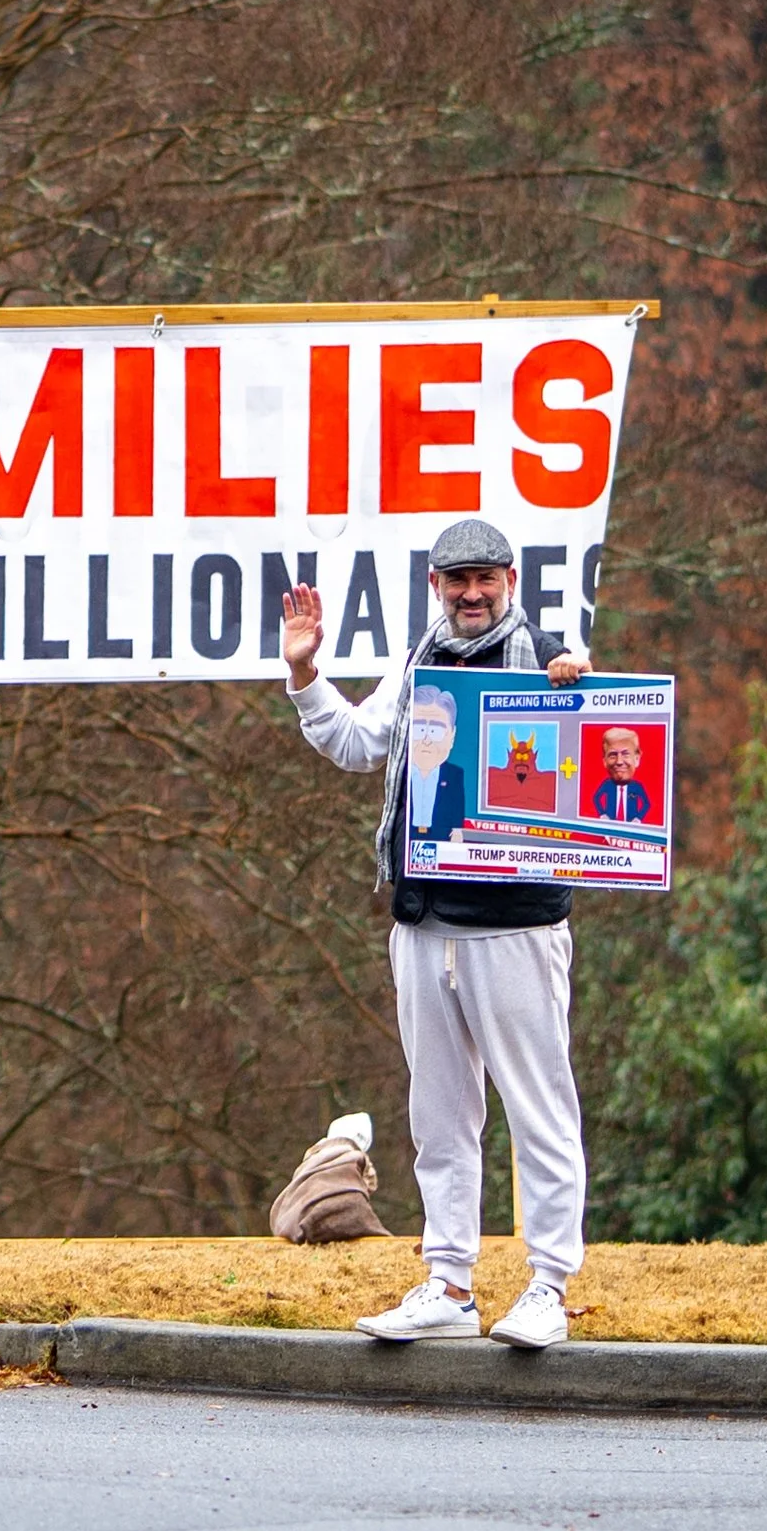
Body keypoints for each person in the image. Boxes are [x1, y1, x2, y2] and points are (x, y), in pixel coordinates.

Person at [279, 519, 591, 1350]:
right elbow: (354, 744)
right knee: (440, 1115)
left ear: (512, 580)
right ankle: (449, 1281)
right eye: (458, 581)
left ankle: (549, 1285)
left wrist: (579, 696)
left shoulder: (554, 660)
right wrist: (307, 673)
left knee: (539, 1108)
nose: (473, 594)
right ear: (435, 586)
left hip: (517, 927)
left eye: (486, 578)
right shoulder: (418, 662)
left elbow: (593, 770)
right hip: (423, 922)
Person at [404, 685, 470, 843]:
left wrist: (457, 830)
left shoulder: (454, 775)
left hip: (441, 838)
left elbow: (457, 804)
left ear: (452, 736)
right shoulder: (401, 773)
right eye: (419, 729)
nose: (426, 740)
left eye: (435, 731)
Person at [589, 727, 652, 823]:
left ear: (637, 759)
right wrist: (602, 814)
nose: (619, 762)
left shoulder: (637, 786)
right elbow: (596, 798)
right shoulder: (607, 784)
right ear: (605, 761)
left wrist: (638, 818)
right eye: (613, 755)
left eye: (626, 754)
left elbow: (647, 804)